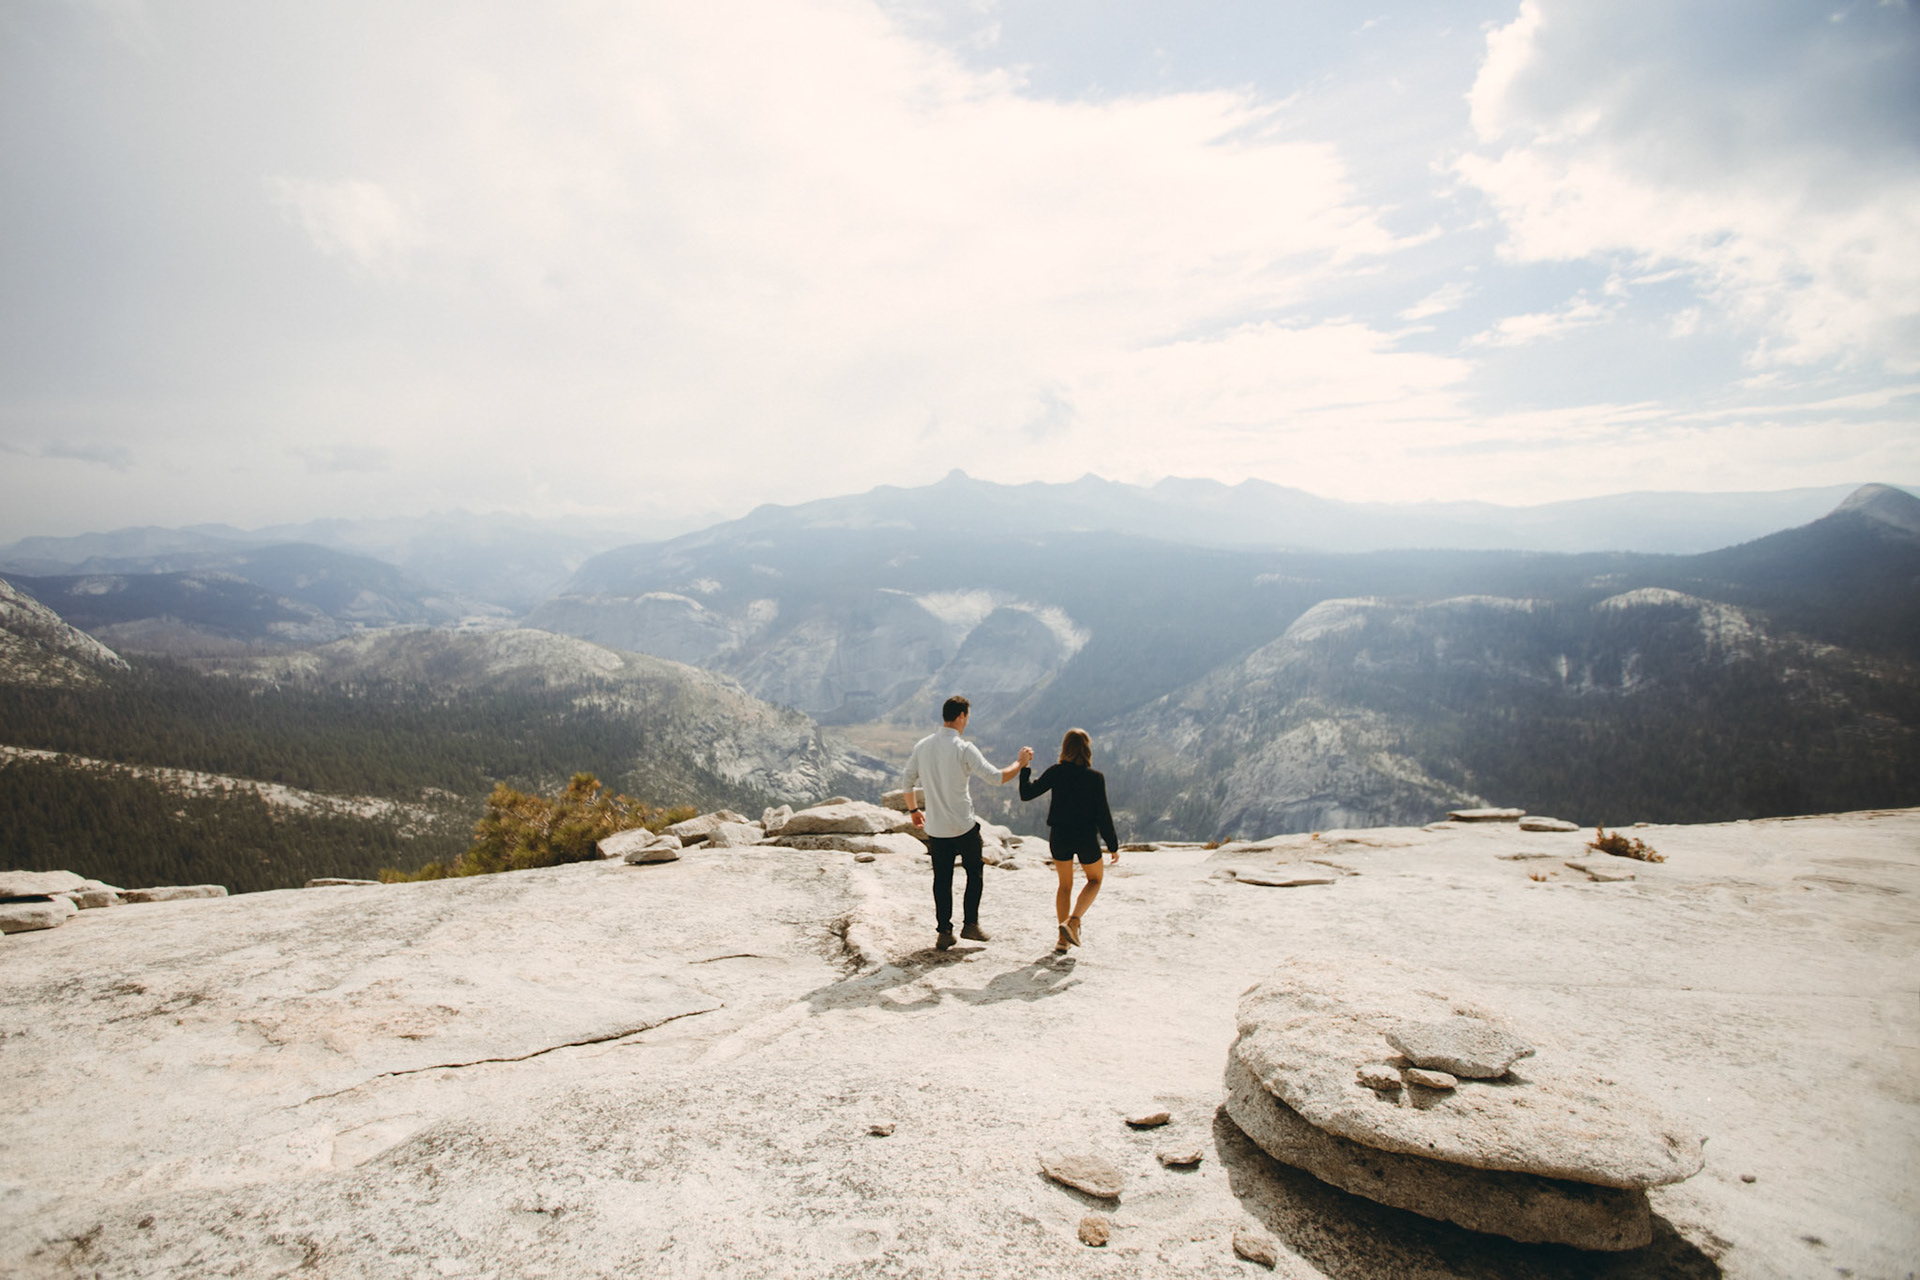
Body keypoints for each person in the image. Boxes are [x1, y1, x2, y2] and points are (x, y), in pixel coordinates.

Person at [901, 695, 1034, 951]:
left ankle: (944, 932)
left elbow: (907, 782)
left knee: (942, 880)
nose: (967, 722)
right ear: (961, 716)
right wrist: (1021, 762)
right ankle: (970, 925)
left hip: (937, 829)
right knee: (974, 872)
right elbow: (996, 778)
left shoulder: (923, 746)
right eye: (968, 717)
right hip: (963, 825)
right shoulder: (964, 748)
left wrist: (914, 810)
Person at [1018, 728, 1119, 953]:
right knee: (1094, 880)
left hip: (1060, 836)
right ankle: (1073, 922)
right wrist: (1112, 845)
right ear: (1087, 749)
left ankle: (1062, 941)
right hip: (1085, 837)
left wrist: (1025, 767)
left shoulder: (1056, 772)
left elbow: (1027, 793)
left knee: (1065, 885)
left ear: (1065, 748)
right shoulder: (1095, 777)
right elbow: (1103, 813)